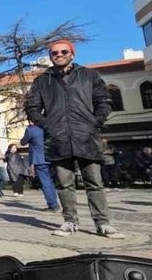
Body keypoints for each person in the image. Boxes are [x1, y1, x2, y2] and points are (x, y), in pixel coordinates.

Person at [26, 39, 125, 239]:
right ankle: (70, 221)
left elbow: (104, 101)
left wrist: (95, 122)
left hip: (87, 136)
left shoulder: (89, 75)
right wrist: (48, 125)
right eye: (54, 53)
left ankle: (103, 223)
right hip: (58, 139)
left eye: (63, 52)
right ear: (51, 57)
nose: (59, 55)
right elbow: (32, 108)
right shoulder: (42, 81)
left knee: (94, 182)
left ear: (72, 54)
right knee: (64, 184)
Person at [21, 121, 59, 211]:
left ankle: (53, 205)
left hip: (40, 159)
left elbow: (23, 142)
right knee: (50, 181)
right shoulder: (48, 126)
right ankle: (54, 203)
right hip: (51, 157)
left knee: (45, 182)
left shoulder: (31, 130)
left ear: (31, 121)